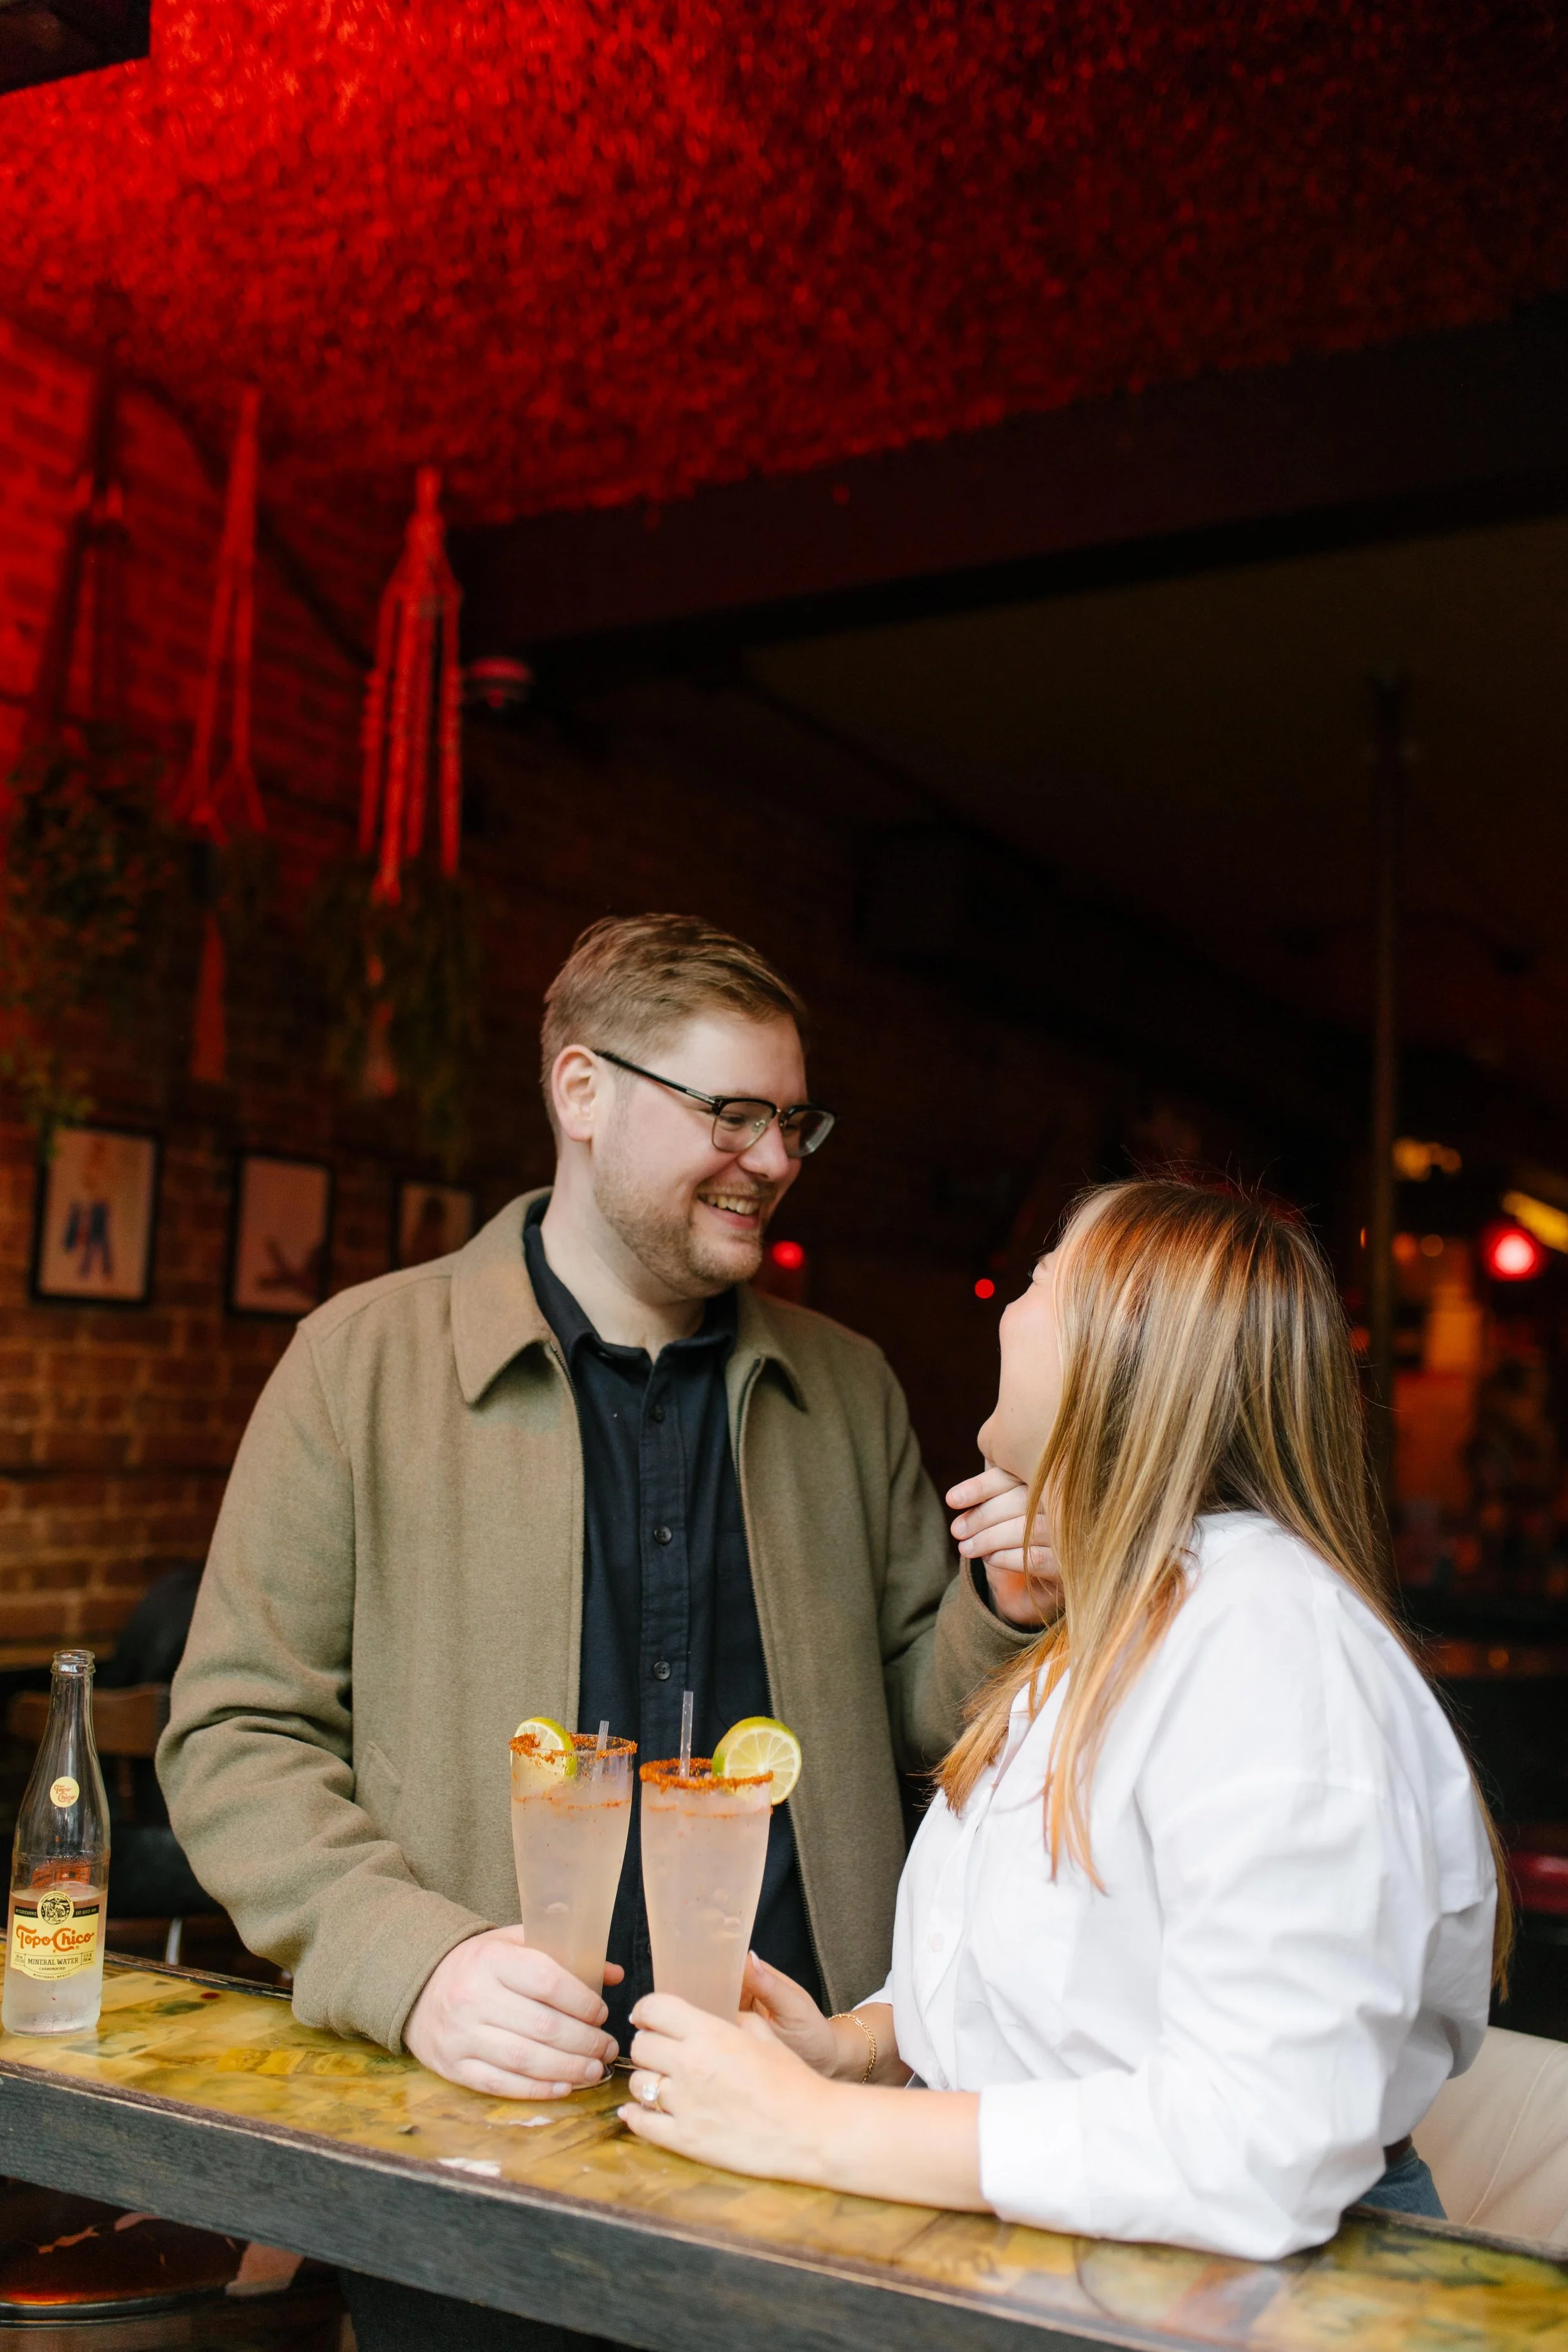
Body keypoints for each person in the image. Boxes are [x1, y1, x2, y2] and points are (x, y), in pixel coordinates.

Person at [159, 913, 1044, 2352]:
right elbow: (236, 1735)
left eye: (791, 1119)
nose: (773, 1158)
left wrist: (1006, 1608)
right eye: (731, 1113)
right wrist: (413, 1964)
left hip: (810, 2124)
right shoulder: (358, 1361)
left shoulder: (851, 1386)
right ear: (580, 1092)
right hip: (479, 2123)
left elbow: (929, 1730)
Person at [619, 1177, 1512, 2261]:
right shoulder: (1111, 1619)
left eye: (1043, 1279)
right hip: (1065, 2261)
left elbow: (1261, 2141)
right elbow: (1067, 1972)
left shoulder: (1272, 1640)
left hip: (1258, 2294)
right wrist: (856, 2046)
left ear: (1124, 1343)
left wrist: (814, 2126)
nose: (1005, 1306)